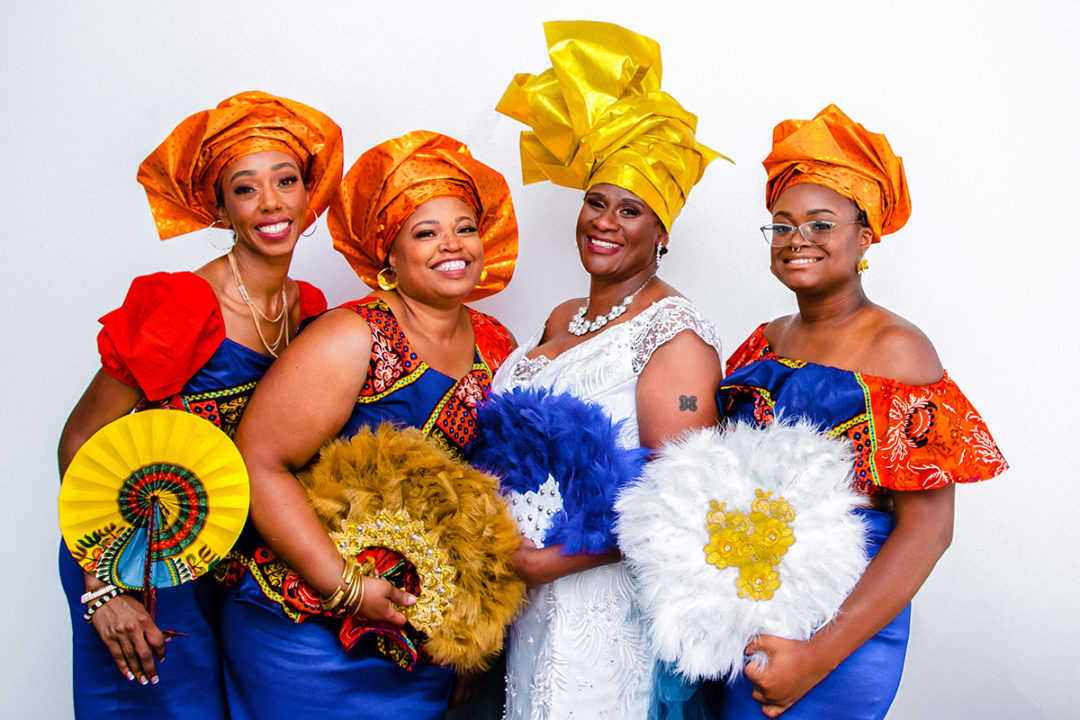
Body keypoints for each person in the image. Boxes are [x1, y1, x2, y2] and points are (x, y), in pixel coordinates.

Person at [56, 90, 342, 717]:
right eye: (246, 188)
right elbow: (80, 440)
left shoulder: (313, 310)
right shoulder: (181, 305)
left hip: (239, 559)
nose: (270, 202)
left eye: (286, 181)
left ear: (308, 195)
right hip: (146, 552)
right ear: (219, 206)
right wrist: (101, 590)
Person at [716, 104, 1008, 719]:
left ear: (865, 236)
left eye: (821, 224)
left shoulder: (897, 351)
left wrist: (815, 657)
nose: (798, 239)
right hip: (743, 615)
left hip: (839, 634)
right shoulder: (761, 342)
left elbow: (929, 530)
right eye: (782, 224)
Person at [220, 130, 519, 719]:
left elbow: (484, 498)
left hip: (415, 637)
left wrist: (469, 630)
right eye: (425, 232)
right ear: (388, 253)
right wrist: (347, 588)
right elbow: (257, 462)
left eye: (464, 227)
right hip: (307, 630)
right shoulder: (352, 337)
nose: (451, 245)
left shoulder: (497, 343)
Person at [493, 21, 727, 719]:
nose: (606, 221)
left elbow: (681, 500)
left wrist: (545, 562)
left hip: (598, 608)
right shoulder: (562, 315)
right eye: (596, 201)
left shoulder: (673, 335)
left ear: (662, 233)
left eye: (632, 210)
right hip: (521, 607)